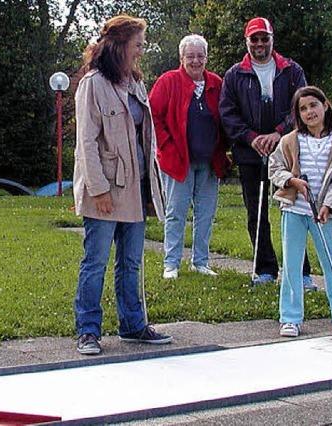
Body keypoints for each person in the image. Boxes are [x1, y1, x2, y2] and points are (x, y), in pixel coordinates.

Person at [73, 15, 172, 355]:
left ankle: (133, 325)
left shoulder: (135, 83)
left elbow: (145, 138)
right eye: (138, 45)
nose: (141, 52)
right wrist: (98, 189)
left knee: (131, 262)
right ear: (119, 46)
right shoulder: (93, 84)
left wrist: (150, 189)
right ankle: (88, 331)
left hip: (136, 188)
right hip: (105, 190)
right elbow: (86, 142)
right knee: (95, 261)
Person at [219, 17, 316, 290]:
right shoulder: (234, 75)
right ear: (247, 41)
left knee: (294, 209)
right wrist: (251, 138)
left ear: (272, 39)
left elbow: (303, 105)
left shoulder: (292, 70)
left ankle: (300, 272)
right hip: (250, 153)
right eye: (254, 39)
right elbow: (228, 114)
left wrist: (278, 133)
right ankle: (265, 269)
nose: (260, 44)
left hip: (287, 150)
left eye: (264, 38)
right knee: (256, 213)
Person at [268, 86, 332, 337]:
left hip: (322, 214)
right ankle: (290, 318)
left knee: (331, 264)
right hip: (294, 211)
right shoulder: (290, 140)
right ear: (297, 115)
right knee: (292, 265)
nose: (309, 112)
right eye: (303, 109)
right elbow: (275, 167)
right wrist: (291, 181)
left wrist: (328, 205)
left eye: (313, 105)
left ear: (325, 105)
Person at [149, 34, 231, 280]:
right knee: (175, 212)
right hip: (178, 162)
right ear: (181, 58)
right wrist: (167, 146)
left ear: (206, 57)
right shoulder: (168, 82)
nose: (195, 61)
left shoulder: (217, 83)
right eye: (190, 56)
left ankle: (201, 262)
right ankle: (171, 263)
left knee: (205, 214)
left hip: (209, 162)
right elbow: (154, 117)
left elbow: (226, 117)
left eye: (200, 56)